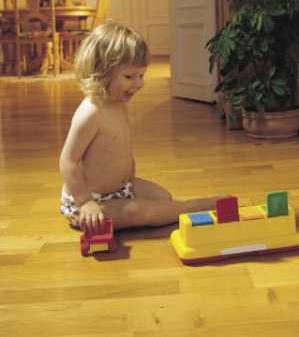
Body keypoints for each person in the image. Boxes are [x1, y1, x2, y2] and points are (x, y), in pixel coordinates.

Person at [59, 21, 222, 233]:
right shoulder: (90, 112)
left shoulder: (118, 103)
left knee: (163, 198)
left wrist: (128, 174)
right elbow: (68, 161)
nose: (139, 84)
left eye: (141, 75)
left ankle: (171, 208)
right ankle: (192, 207)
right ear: (101, 72)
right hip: (90, 201)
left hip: (121, 188)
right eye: (129, 77)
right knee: (140, 211)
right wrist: (85, 202)